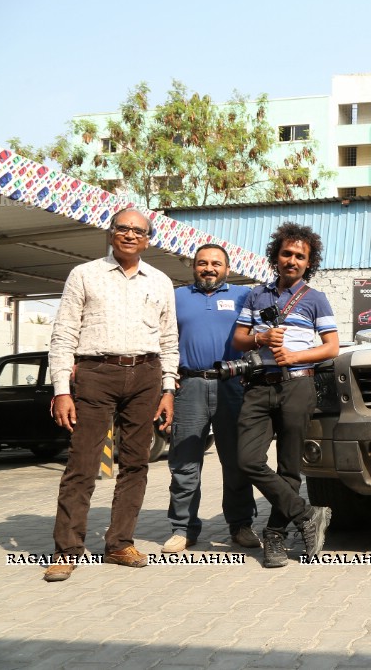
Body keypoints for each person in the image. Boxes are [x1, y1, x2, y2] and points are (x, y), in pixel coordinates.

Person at [44, 208, 178, 582]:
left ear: (148, 239)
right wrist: (62, 390)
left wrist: (168, 388)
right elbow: (64, 335)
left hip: (147, 375)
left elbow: (169, 340)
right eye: (123, 228)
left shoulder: (161, 281)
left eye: (139, 230)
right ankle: (67, 550)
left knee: (136, 463)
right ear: (111, 232)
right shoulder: (84, 275)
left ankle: (119, 543)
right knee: (82, 463)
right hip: (95, 374)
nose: (131, 235)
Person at [233, 222, 339, 567]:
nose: (292, 260)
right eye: (287, 253)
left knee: (289, 467)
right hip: (259, 385)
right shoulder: (256, 295)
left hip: (298, 384)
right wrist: (260, 340)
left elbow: (332, 347)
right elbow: (239, 339)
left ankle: (275, 536)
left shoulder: (316, 299)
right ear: (275, 257)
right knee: (248, 460)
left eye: (300, 256)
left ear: (309, 263)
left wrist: (294, 355)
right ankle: (307, 513)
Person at [162, 244, 259, 554]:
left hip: (232, 386)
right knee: (185, 461)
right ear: (194, 267)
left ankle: (241, 525)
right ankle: (183, 528)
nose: (209, 268)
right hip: (189, 385)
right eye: (202, 263)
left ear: (227, 269)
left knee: (236, 460)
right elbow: (162, 339)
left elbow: (260, 334)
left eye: (216, 263)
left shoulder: (245, 297)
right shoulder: (177, 297)